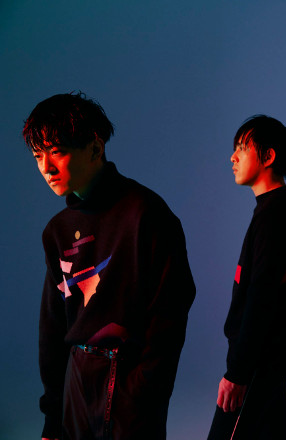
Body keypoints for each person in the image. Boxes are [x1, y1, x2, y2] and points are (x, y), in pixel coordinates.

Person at [24, 92, 196, 439]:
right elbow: (52, 327)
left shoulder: (146, 214)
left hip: (129, 381)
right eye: (38, 155)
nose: (46, 168)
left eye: (57, 151)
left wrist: (142, 392)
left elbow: (170, 314)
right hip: (76, 383)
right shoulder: (56, 230)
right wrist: (53, 415)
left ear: (95, 148)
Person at [208, 115, 286, 439]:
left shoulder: (275, 214)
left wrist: (238, 373)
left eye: (242, 148)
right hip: (265, 359)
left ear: (268, 156)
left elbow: (262, 297)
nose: (232, 157)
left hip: (258, 362)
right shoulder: (277, 209)